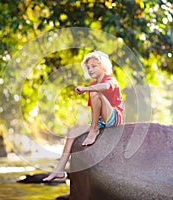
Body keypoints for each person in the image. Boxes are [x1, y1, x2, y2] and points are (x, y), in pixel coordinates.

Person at [43, 50, 124, 182]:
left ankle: (94, 130)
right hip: (99, 120)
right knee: (71, 134)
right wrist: (93, 123)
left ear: (103, 66)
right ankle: (59, 170)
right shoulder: (92, 85)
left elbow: (106, 86)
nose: (90, 69)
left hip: (114, 117)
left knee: (94, 92)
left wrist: (85, 89)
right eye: (88, 67)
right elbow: (95, 108)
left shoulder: (110, 79)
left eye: (94, 66)